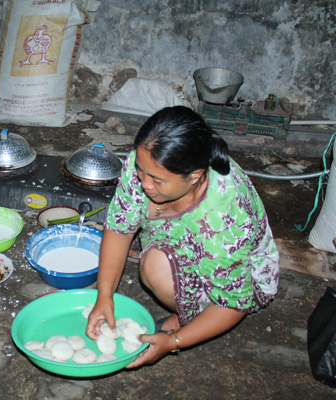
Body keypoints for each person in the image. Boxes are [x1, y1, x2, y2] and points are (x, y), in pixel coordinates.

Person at [85, 106, 279, 367]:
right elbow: (120, 227)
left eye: (156, 179)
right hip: (187, 237)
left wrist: (174, 343)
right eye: (141, 171)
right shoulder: (149, 162)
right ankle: (190, 314)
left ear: (195, 176)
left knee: (155, 268)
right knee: (152, 258)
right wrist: (104, 295)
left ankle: (192, 318)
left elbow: (233, 304)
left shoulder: (224, 221)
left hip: (239, 279)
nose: (143, 183)